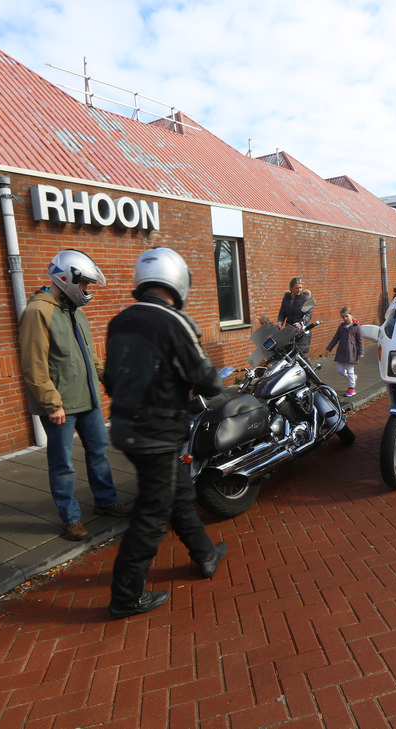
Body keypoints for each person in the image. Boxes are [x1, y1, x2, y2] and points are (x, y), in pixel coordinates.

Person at [103, 246, 229, 618]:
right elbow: (207, 380)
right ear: (177, 280)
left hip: (125, 427)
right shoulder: (175, 322)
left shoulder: (119, 321)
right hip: (156, 433)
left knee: (178, 494)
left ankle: (205, 555)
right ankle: (126, 596)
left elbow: (111, 379)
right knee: (152, 514)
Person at [19, 249, 130, 542]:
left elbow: (89, 356)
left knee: (99, 452)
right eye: (84, 284)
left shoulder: (76, 312)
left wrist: (108, 381)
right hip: (59, 406)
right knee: (62, 464)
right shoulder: (38, 312)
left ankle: (106, 500)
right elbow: (33, 364)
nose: (86, 289)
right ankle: (71, 519)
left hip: (87, 399)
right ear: (67, 278)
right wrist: (51, 403)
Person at [324, 306, 364, 397]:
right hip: (341, 351)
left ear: (351, 315)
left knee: (350, 370)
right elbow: (335, 338)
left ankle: (352, 388)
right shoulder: (341, 327)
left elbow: (360, 341)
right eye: (343, 317)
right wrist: (328, 349)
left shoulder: (356, 327)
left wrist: (361, 353)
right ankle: (353, 378)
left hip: (351, 352)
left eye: (346, 316)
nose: (345, 318)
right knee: (340, 370)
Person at [277, 277, 313, 354]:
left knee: (300, 353)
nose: (299, 290)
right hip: (290, 329)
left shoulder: (306, 298)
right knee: (289, 353)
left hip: (303, 331)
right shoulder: (286, 298)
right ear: (291, 288)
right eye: (297, 288)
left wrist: (301, 323)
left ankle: (307, 363)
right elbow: (282, 313)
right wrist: (280, 322)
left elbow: (308, 314)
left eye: (300, 288)